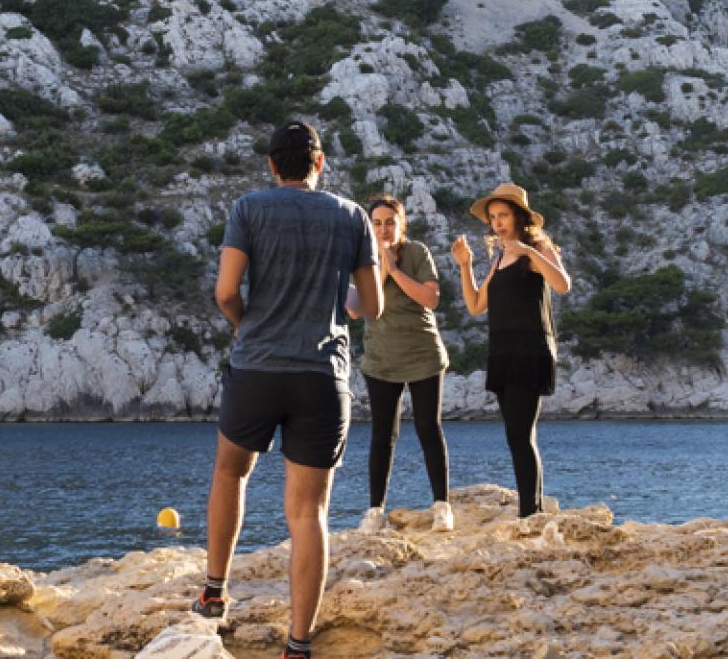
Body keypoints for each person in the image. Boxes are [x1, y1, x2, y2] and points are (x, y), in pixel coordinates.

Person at [195, 121, 384, 659]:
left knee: (230, 470)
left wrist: (244, 324)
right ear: (319, 164)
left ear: (272, 166)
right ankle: (298, 645)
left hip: (257, 367)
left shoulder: (249, 208)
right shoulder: (351, 216)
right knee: (308, 513)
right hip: (322, 376)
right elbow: (372, 307)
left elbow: (226, 290)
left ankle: (214, 593)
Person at [449, 183, 571, 519]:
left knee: (520, 434)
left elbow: (563, 284)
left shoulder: (538, 248)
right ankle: (532, 508)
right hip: (502, 351)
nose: (498, 222)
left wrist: (529, 252)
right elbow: (475, 305)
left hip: (530, 349)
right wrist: (464, 265)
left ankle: (529, 513)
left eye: (503, 215)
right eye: (493, 217)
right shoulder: (499, 257)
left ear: (519, 216)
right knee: (516, 435)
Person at [347, 194, 454, 533]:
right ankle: (375, 510)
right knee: (382, 435)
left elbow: (430, 298)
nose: (383, 228)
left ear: (401, 224)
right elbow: (358, 308)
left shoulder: (418, 253)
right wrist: (379, 268)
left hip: (423, 353)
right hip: (380, 358)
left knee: (428, 427)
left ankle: (442, 507)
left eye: (390, 222)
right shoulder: (360, 258)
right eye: (377, 222)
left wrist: (394, 269)